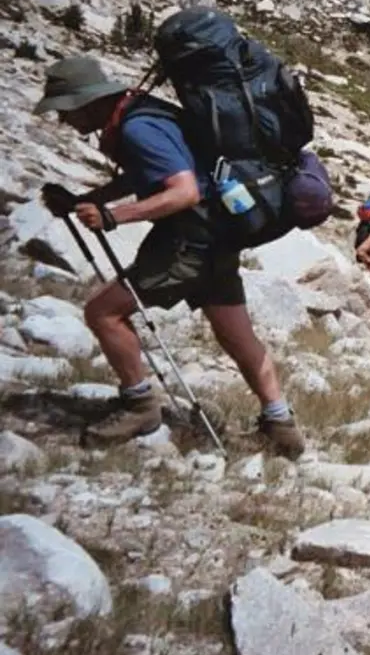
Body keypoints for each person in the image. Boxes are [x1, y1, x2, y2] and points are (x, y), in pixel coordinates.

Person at [33, 55, 304, 457]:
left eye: (65, 112)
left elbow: (183, 191)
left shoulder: (139, 127)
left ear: (86, 103)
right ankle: (281, 428)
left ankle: (140, 405)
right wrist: (86, 201)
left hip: (189, 241)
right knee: (236, 333)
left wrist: (113, 216)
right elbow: (148, 173)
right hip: (218, 234)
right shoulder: (143, 112)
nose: (63, 122)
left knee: (103, 313)